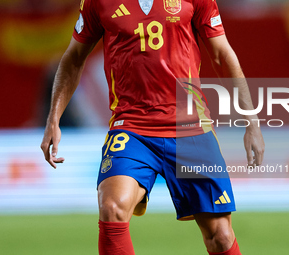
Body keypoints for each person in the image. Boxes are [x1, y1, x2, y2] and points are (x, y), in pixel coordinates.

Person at [41, 0, 265, 254]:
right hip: (131, 127)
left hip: (190, 127)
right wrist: (53, 119)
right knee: (112, 207)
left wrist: (251, 121)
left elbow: (221, 54)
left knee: (220, 236)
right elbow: (73, 58)